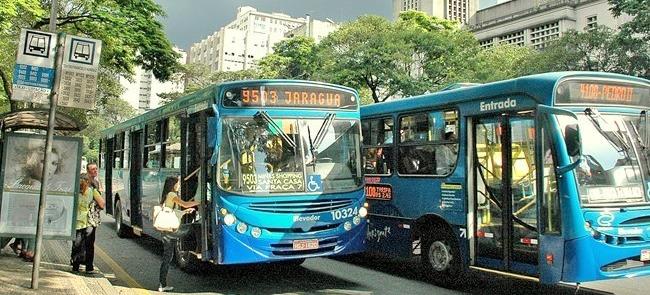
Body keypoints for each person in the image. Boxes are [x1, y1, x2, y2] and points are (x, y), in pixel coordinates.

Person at [158, 176, 198, 292]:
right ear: (173, 184)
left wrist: (185, 212)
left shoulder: (167, 195)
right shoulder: (172, 195)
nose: (179, 185)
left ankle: (162, 284)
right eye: (178, 183)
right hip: (170, 232)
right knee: (193, 228)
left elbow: (172, 211)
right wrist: (200, 201)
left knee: (167, 258)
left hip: (167, 231)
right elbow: (185, 204)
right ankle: (195, 248)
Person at [71, 174, 104, 273]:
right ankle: (89, 267)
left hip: (77, 222)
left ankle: (75, 266)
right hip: (89, 222)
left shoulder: (74, 191)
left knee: (77, 244)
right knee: (89, 245)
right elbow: (102, 204)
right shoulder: (92, 191)